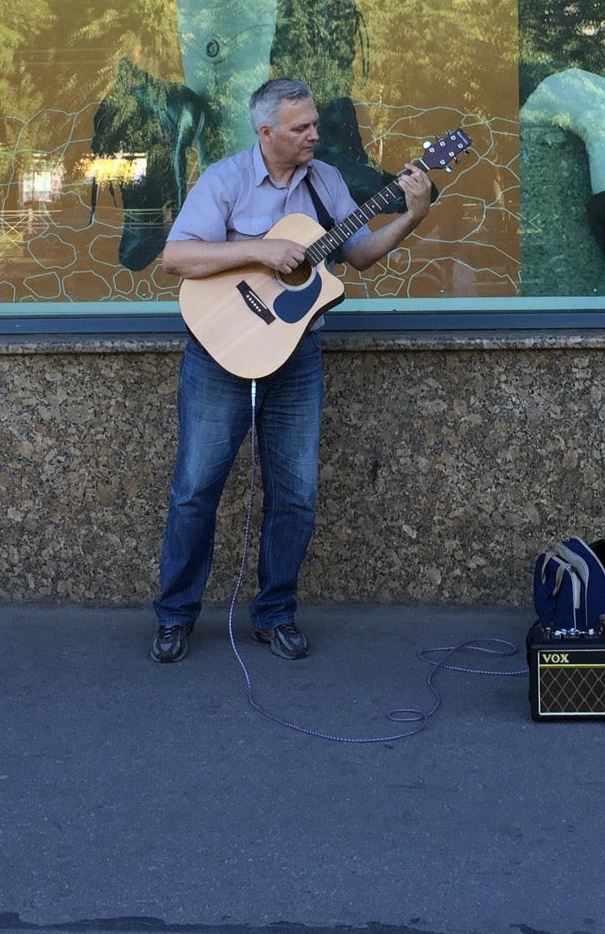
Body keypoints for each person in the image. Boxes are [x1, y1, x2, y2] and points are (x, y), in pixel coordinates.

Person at [149, 78, 434, 663]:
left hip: (296, 355)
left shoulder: (326, 181)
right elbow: (175, 257)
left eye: (314, 124)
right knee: (195, 490)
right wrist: (259, 251)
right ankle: (175, 615)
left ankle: (275, 614)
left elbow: (354, 256)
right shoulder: (225, 179)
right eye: (301, 127)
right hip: (220, 352)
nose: (313, 134)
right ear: (267, 132)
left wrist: (412, 217)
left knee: (296, 494)